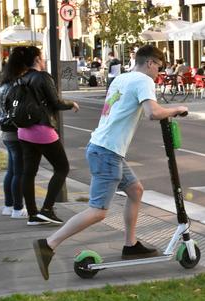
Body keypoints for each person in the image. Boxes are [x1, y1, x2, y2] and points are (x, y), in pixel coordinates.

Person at [32, 45, 189, 281]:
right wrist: (177, 108)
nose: (159, 72)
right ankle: (49, 244)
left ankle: (130, 244)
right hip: (107, 152)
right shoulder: (143, 80)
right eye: (159, 66)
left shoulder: (121, 78)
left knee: (135, 190)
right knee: (97, 211)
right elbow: (152, 112)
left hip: (104, 148)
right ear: (150, 63)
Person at [15, 46, 80, 226]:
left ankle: (33, 214)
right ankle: (47, 209)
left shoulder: (21, 78)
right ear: (37, 58)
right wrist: (71, 104)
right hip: (42, 130)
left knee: (29, 172)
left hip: (23, 131)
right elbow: (55, 102)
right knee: (62, 167)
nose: (43, 60)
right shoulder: (42, 76)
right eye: (42, 57)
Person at [0, 47, 28, 219]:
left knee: (11, 170)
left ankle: (8, 206)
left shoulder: (5, 84)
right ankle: (18, 208)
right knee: (19, 172)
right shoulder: (17, 85)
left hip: (5, 130)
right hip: (15, 131)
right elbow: (16, 108)